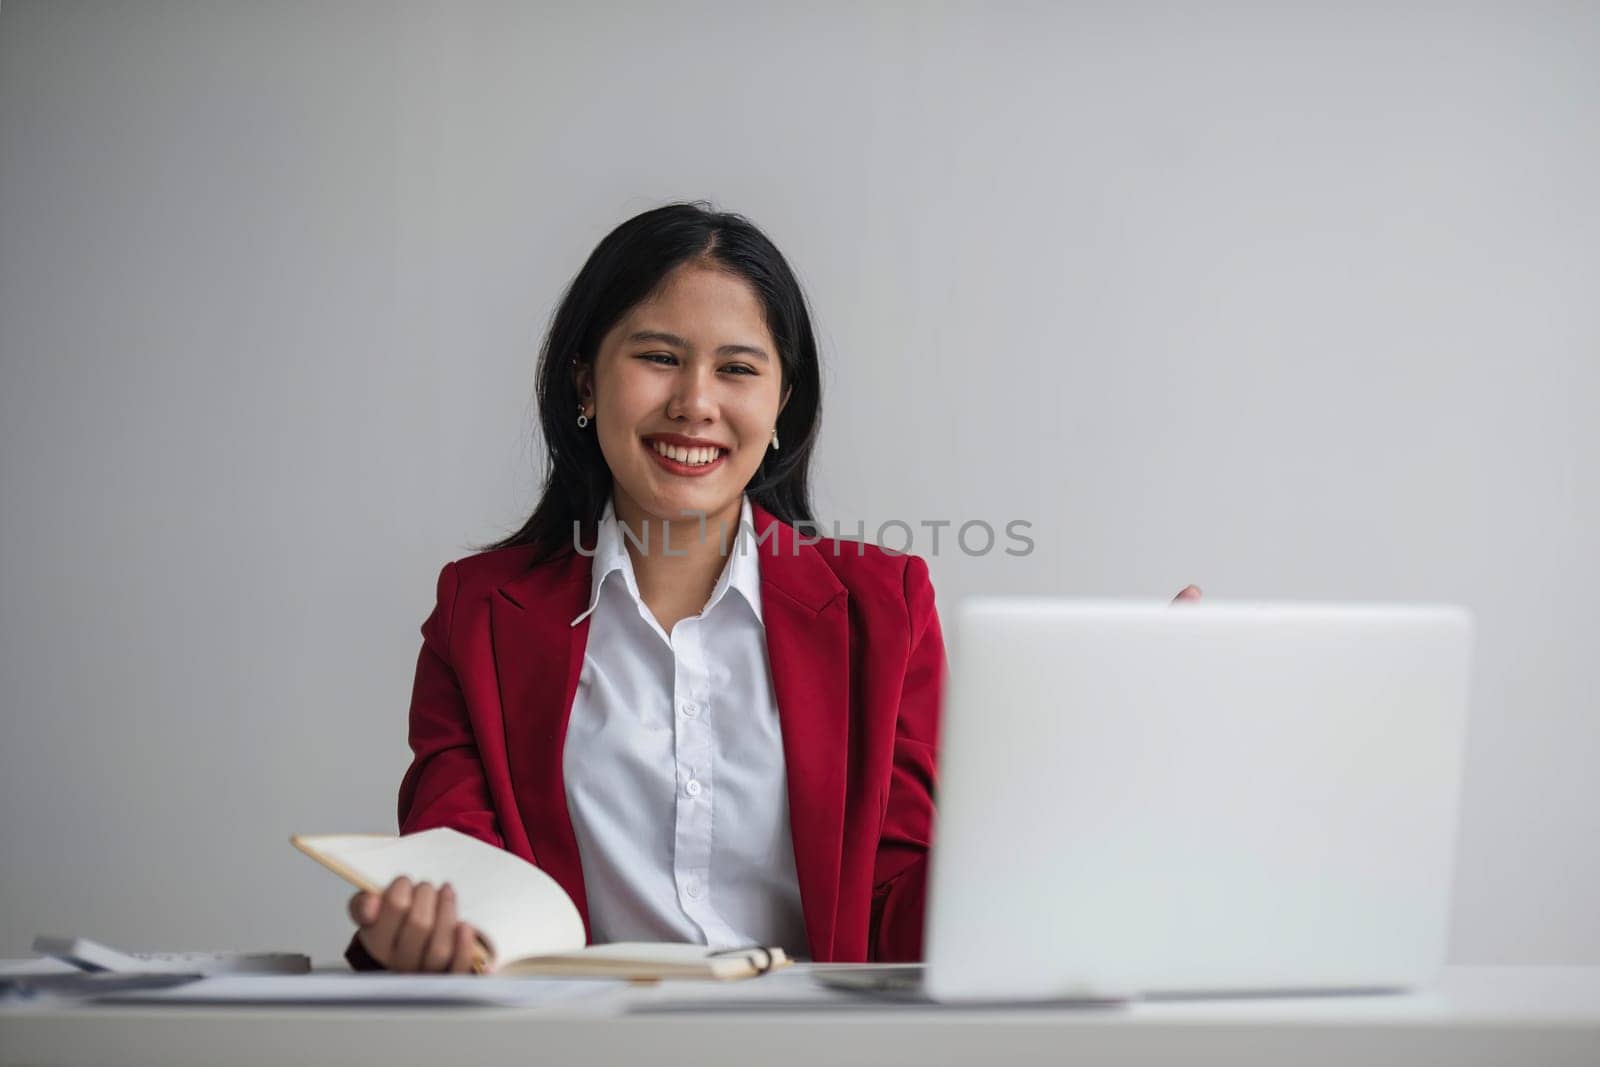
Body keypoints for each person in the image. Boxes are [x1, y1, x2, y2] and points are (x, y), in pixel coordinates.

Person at [344, 201, 1202, 972]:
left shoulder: (884, 607)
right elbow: (452, 872)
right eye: (658, 356)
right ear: (584, 379)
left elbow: (902, 919)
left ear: (784, 401)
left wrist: (1089, 765)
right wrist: (419, 928)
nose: (695, 401)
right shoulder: (482, 611)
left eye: (738, 369)